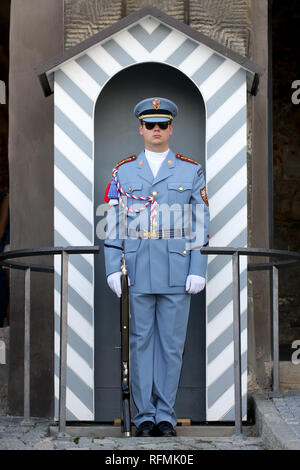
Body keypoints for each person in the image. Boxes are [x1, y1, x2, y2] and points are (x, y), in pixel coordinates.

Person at [104, 97, 210, 437]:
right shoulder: (122, 172)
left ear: (171, 128)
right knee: (139, 343)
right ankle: (144, 415)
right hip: (136, 269)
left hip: (177, 271)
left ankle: (165, 414)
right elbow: (113, 223)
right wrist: (111, 266)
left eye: (162, 125)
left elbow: (200, 222)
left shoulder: (190, 170)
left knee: (171, 345)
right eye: (150, 125)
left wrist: (198, 266)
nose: (156, 130)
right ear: (140, 128)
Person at [0, 190, 10, 327]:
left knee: (12, 290)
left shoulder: (9, 197)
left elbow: (0, 229)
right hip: (12, 245)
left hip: (13, 246)